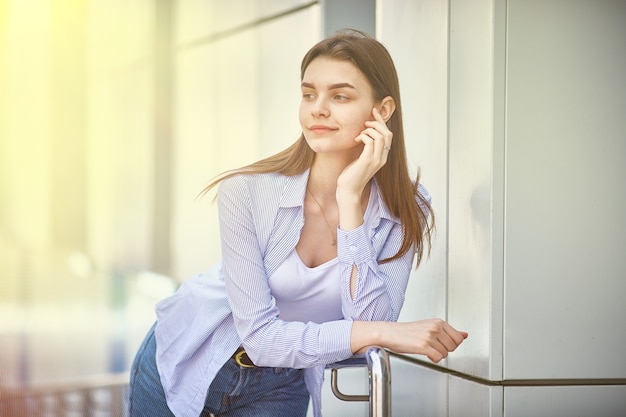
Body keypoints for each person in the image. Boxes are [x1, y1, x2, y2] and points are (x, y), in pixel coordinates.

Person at [128, 29, 468, 417]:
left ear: (383, 110)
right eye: (309, 94)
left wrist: (350, 200)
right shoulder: (247, 191)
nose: (318, 109)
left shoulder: (407, 208)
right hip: (187, 357)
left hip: (283, 380)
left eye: (340, 96)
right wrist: (382, 333)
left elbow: (371, 323)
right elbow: (260, 337)